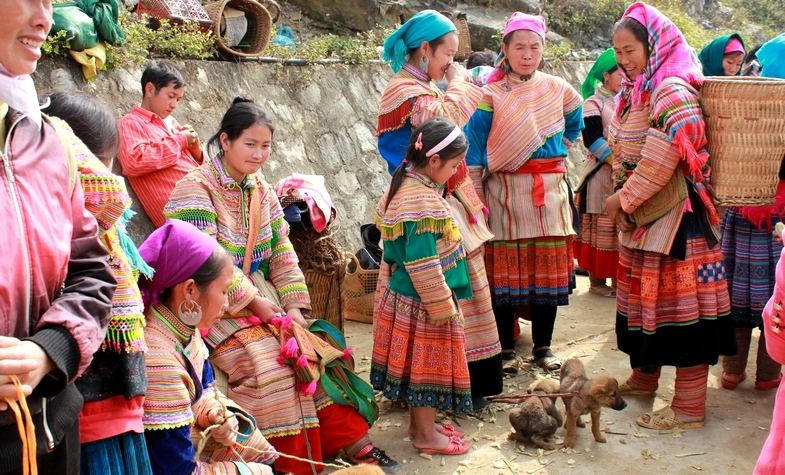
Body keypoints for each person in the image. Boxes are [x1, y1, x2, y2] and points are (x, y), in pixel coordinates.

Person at [165, 98, 398, 474]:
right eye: (250, 144)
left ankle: (355, 445)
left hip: (261, 293)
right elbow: (204, 262)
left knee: (314, 354)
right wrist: (256, 304)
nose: (259, 154)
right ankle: (285, 464)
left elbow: (282, 251)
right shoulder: (195, 189)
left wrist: (294, 307)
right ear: (225, 141)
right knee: (270, 367)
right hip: (211, 300)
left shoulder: (260, 189)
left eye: (265, 146)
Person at [603, 2, 735, 430]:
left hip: (678, 224)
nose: (623, 61)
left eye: (630, 50)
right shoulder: (638, 88)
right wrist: (626, 200)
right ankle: (644, 378)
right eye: (618, 52)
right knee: (649, 309)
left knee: (683, 316)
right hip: (648, 220)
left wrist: (622, 200)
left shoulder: (670, 88)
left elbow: (665, 157)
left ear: (653, 45)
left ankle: (689, 409)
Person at [0, 1, 116, 473]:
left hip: (50, 428)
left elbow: (91, 267)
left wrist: (50, 350)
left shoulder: (46, 142)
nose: (45, 19)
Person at [378, 9, 503, 404]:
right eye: (447, 53)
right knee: (435, 290)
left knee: (464, 288)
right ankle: (432, 387)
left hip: (441, 195)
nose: (452, 62)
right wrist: (462, 82)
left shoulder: (421, 88)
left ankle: (455, 380)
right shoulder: (406, 91)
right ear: (425, 49)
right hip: (425, 204)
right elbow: (447, 123)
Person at [464, 12, 584, 372]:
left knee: (547, 274)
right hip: (505, 195)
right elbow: (475, 146)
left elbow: (575, 121)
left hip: (549, 194)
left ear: (543, 49)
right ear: (505, 49)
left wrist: (556, 146)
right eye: (519, 47)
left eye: (534, 46)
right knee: (505, 276)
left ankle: (544, 348)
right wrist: (476, 194)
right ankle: (505, 350)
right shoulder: (491, 94)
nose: (527, 54)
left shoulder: (557, 88)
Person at [42, 91, 154, 474]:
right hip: (86, 410)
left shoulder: (107, 232)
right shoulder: (92, 222)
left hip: (111, 406)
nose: (112, 176)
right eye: (107, 162)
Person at [138, 220, 278, 475]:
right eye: (224, 291)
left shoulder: (181, 328)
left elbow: (204, 388)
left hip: (181, 446)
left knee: (256, 446)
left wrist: (213, 412)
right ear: (190, 289)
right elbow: (176, 470)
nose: (226, 304)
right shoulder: (158, 361)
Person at [373, 118, 473, 455]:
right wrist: (443, 306)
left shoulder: (408, 184)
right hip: (424, 303)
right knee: (427, 370)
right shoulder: (420, 201)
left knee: (418, 368)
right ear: (433, 161)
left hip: (409, 297)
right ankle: (426, 437)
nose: (457, 171)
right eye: (455, 165)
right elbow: (422, 262)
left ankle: (420, 426)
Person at [698, 33, 784, 391]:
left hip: (744, 210)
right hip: (779, 223)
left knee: (735, 295)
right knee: (775, 297)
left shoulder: (741, 105)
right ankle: (768, 375)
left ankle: (733, 372)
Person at [117, 61, 203, 228]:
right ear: (150, 89)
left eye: (178, 99)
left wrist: (196, 151)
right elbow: (134, 161)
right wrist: (181, 140)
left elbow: (202, 168)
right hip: (184, 218)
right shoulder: (131, 123)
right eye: (171, 96)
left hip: (206, 203)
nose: (174, 105)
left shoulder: (172, 123)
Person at [574, 48, 624, 298]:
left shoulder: (629, 99)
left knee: (619, 229)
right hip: (601, 174)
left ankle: (618, 280)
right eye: (620, 72)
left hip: (622, 174)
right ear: (606, 75)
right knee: (600, 227)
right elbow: (592, 139)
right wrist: (616, 161)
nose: (625, 77)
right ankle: (596, 281)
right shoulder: (593, 103)